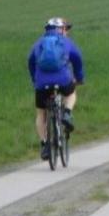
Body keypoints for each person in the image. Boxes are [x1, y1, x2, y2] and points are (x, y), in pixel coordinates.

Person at [28, 17, 85, 161]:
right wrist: (79, 78)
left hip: (42, 83)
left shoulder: (39, 43)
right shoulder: (66, 42)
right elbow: (77, 59)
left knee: (41, 113)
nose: (67, 32)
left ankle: (44, 144)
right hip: (63, 79)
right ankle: (66, 113)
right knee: (71, 93)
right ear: (61, 29)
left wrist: (35, 80)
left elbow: (30, 61)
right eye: (66, 29)